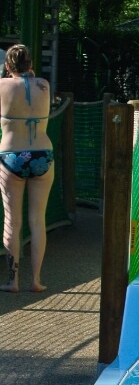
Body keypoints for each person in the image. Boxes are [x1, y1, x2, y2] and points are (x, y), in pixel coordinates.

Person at [0, 44, 54, 292]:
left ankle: (13, 281)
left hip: (11, 156)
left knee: (13, 221)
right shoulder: (44, 85)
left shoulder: (2, 86)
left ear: (8, 65)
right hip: (42, 154)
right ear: (30, 64)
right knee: (37, 219)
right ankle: (36, 280)